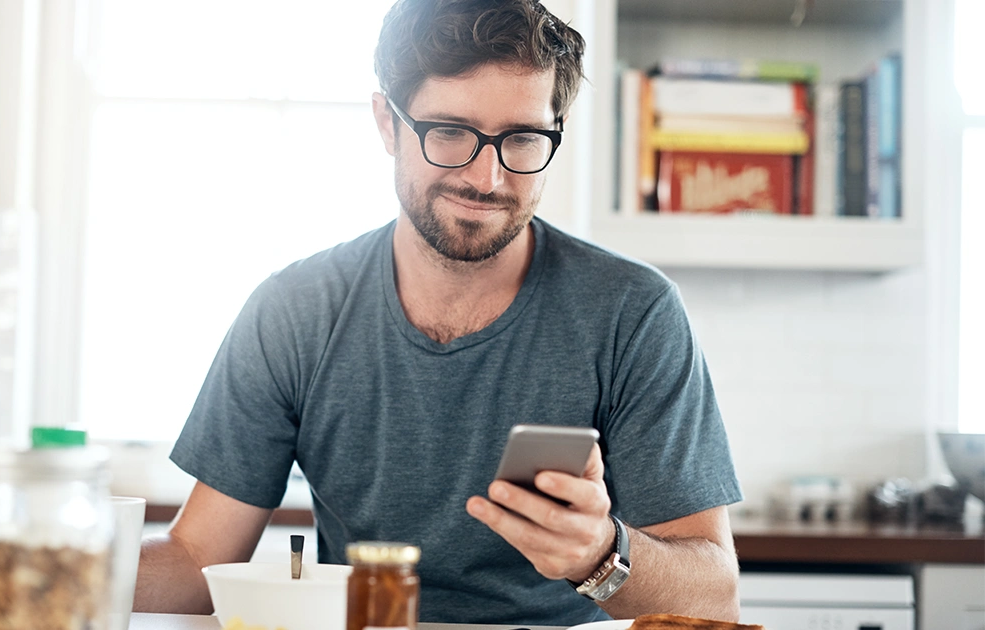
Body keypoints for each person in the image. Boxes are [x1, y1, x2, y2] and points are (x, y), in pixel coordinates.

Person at [134, 0, 743, 625]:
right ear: (386, 123)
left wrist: (599, 552)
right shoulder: (295, 311)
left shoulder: (630, 312)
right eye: (450, 132)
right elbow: (198, 558)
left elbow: (715, 595)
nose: (487, 178)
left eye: (523, 138)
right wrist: (60, 561)